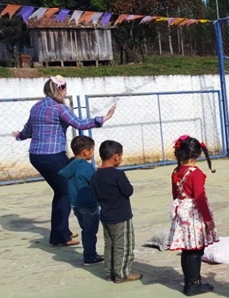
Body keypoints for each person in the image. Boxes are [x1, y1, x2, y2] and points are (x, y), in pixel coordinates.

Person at [13, 76, 116, 247]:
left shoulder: (37, 107)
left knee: (60, 191)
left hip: (36, 156)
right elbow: (79, 124)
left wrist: (19, 136)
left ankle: (62, 231)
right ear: (59, 90)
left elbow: (28, 130)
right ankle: (59, 236)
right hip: (53, 155)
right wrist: (103, 119)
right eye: (65, 89)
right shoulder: (59, 108)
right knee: (65, 192)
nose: (66, 92)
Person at [167, 135, 219, 295]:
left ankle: (190, 281)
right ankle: (194, 284)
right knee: (196, 250)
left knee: (187, 250)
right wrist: (208, 220)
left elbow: (175, 194)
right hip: (194, 214)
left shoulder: (177, 171)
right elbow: (199, 198)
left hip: (182, 211)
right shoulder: (195, 173)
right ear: (198, 154)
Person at [90, 140, 141, 283]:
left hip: (106, 215)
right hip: (121, 216)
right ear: (116, 157)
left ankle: (110, 272)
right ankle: (122, 273)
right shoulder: (118, 175)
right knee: (124, 245)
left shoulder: (95, 176)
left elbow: (93, 193)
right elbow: (128, 191)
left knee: (110, 245)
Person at [58, 135, 103, 266]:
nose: (93, 153)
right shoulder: (85, 166)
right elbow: (94, 183)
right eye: (92, 150)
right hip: (89, 204)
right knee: (90, 231)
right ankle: (90, 256)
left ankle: (90, 253)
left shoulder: (71, 165)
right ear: (86, 151)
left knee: (86, 229)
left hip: (76, 205)